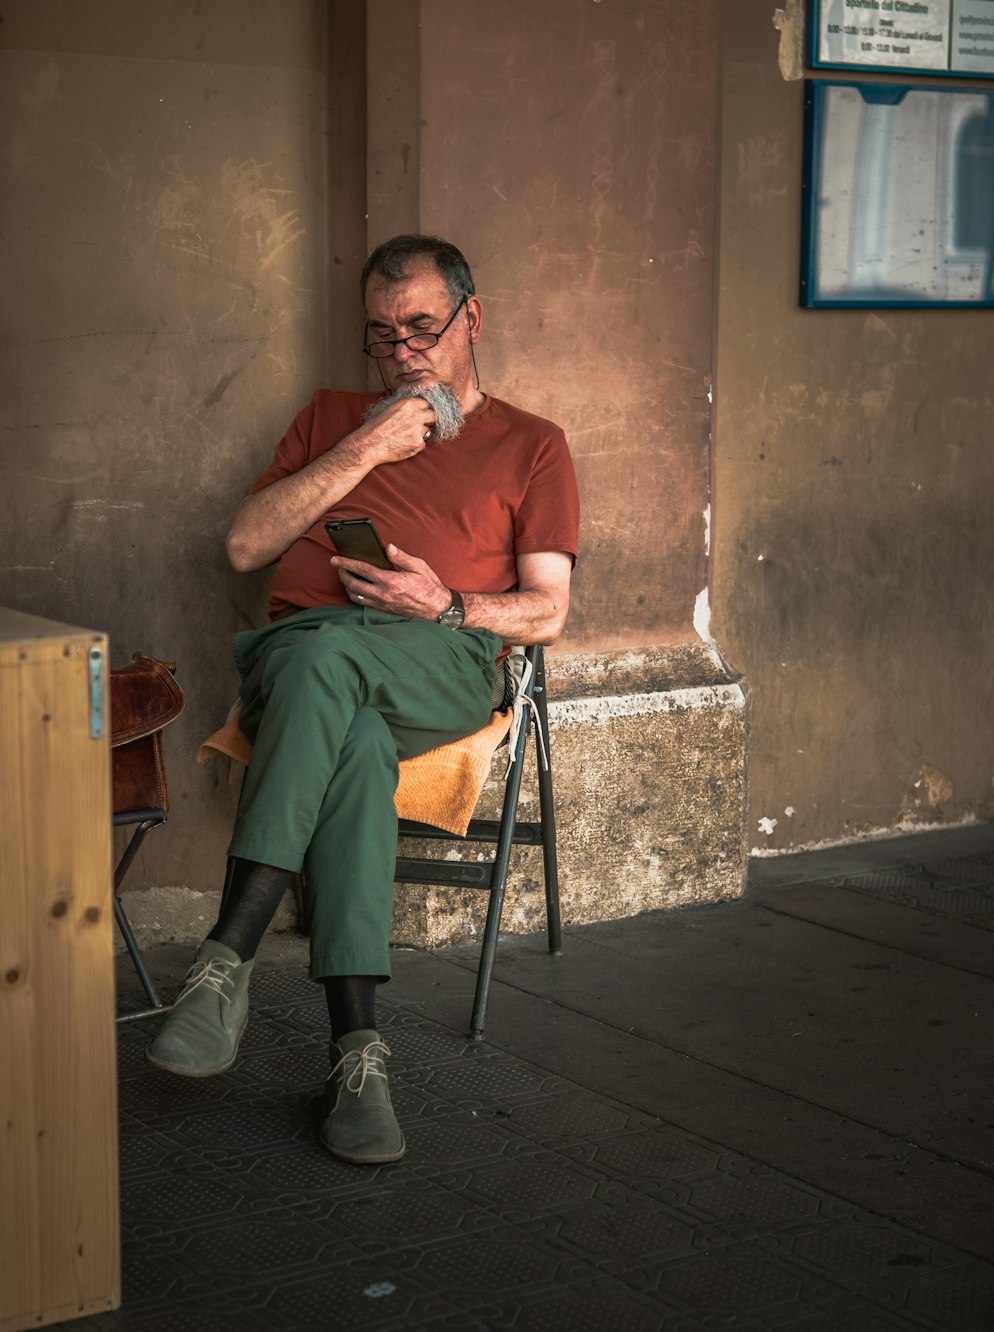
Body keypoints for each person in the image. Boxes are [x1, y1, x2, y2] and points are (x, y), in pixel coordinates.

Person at [146, 234, 580, 1165]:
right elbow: (244, 547)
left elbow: (548, 611)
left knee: (325, 664)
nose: (405, 350)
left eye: (423, 328)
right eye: (384, 336)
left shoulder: (534, 446)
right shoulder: (330, 417)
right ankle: (359, 1056)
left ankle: (226, 958)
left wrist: (450, 603)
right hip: (304, 657)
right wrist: (368, 442)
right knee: (349, 730)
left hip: (442, 658)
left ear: (473, 319)